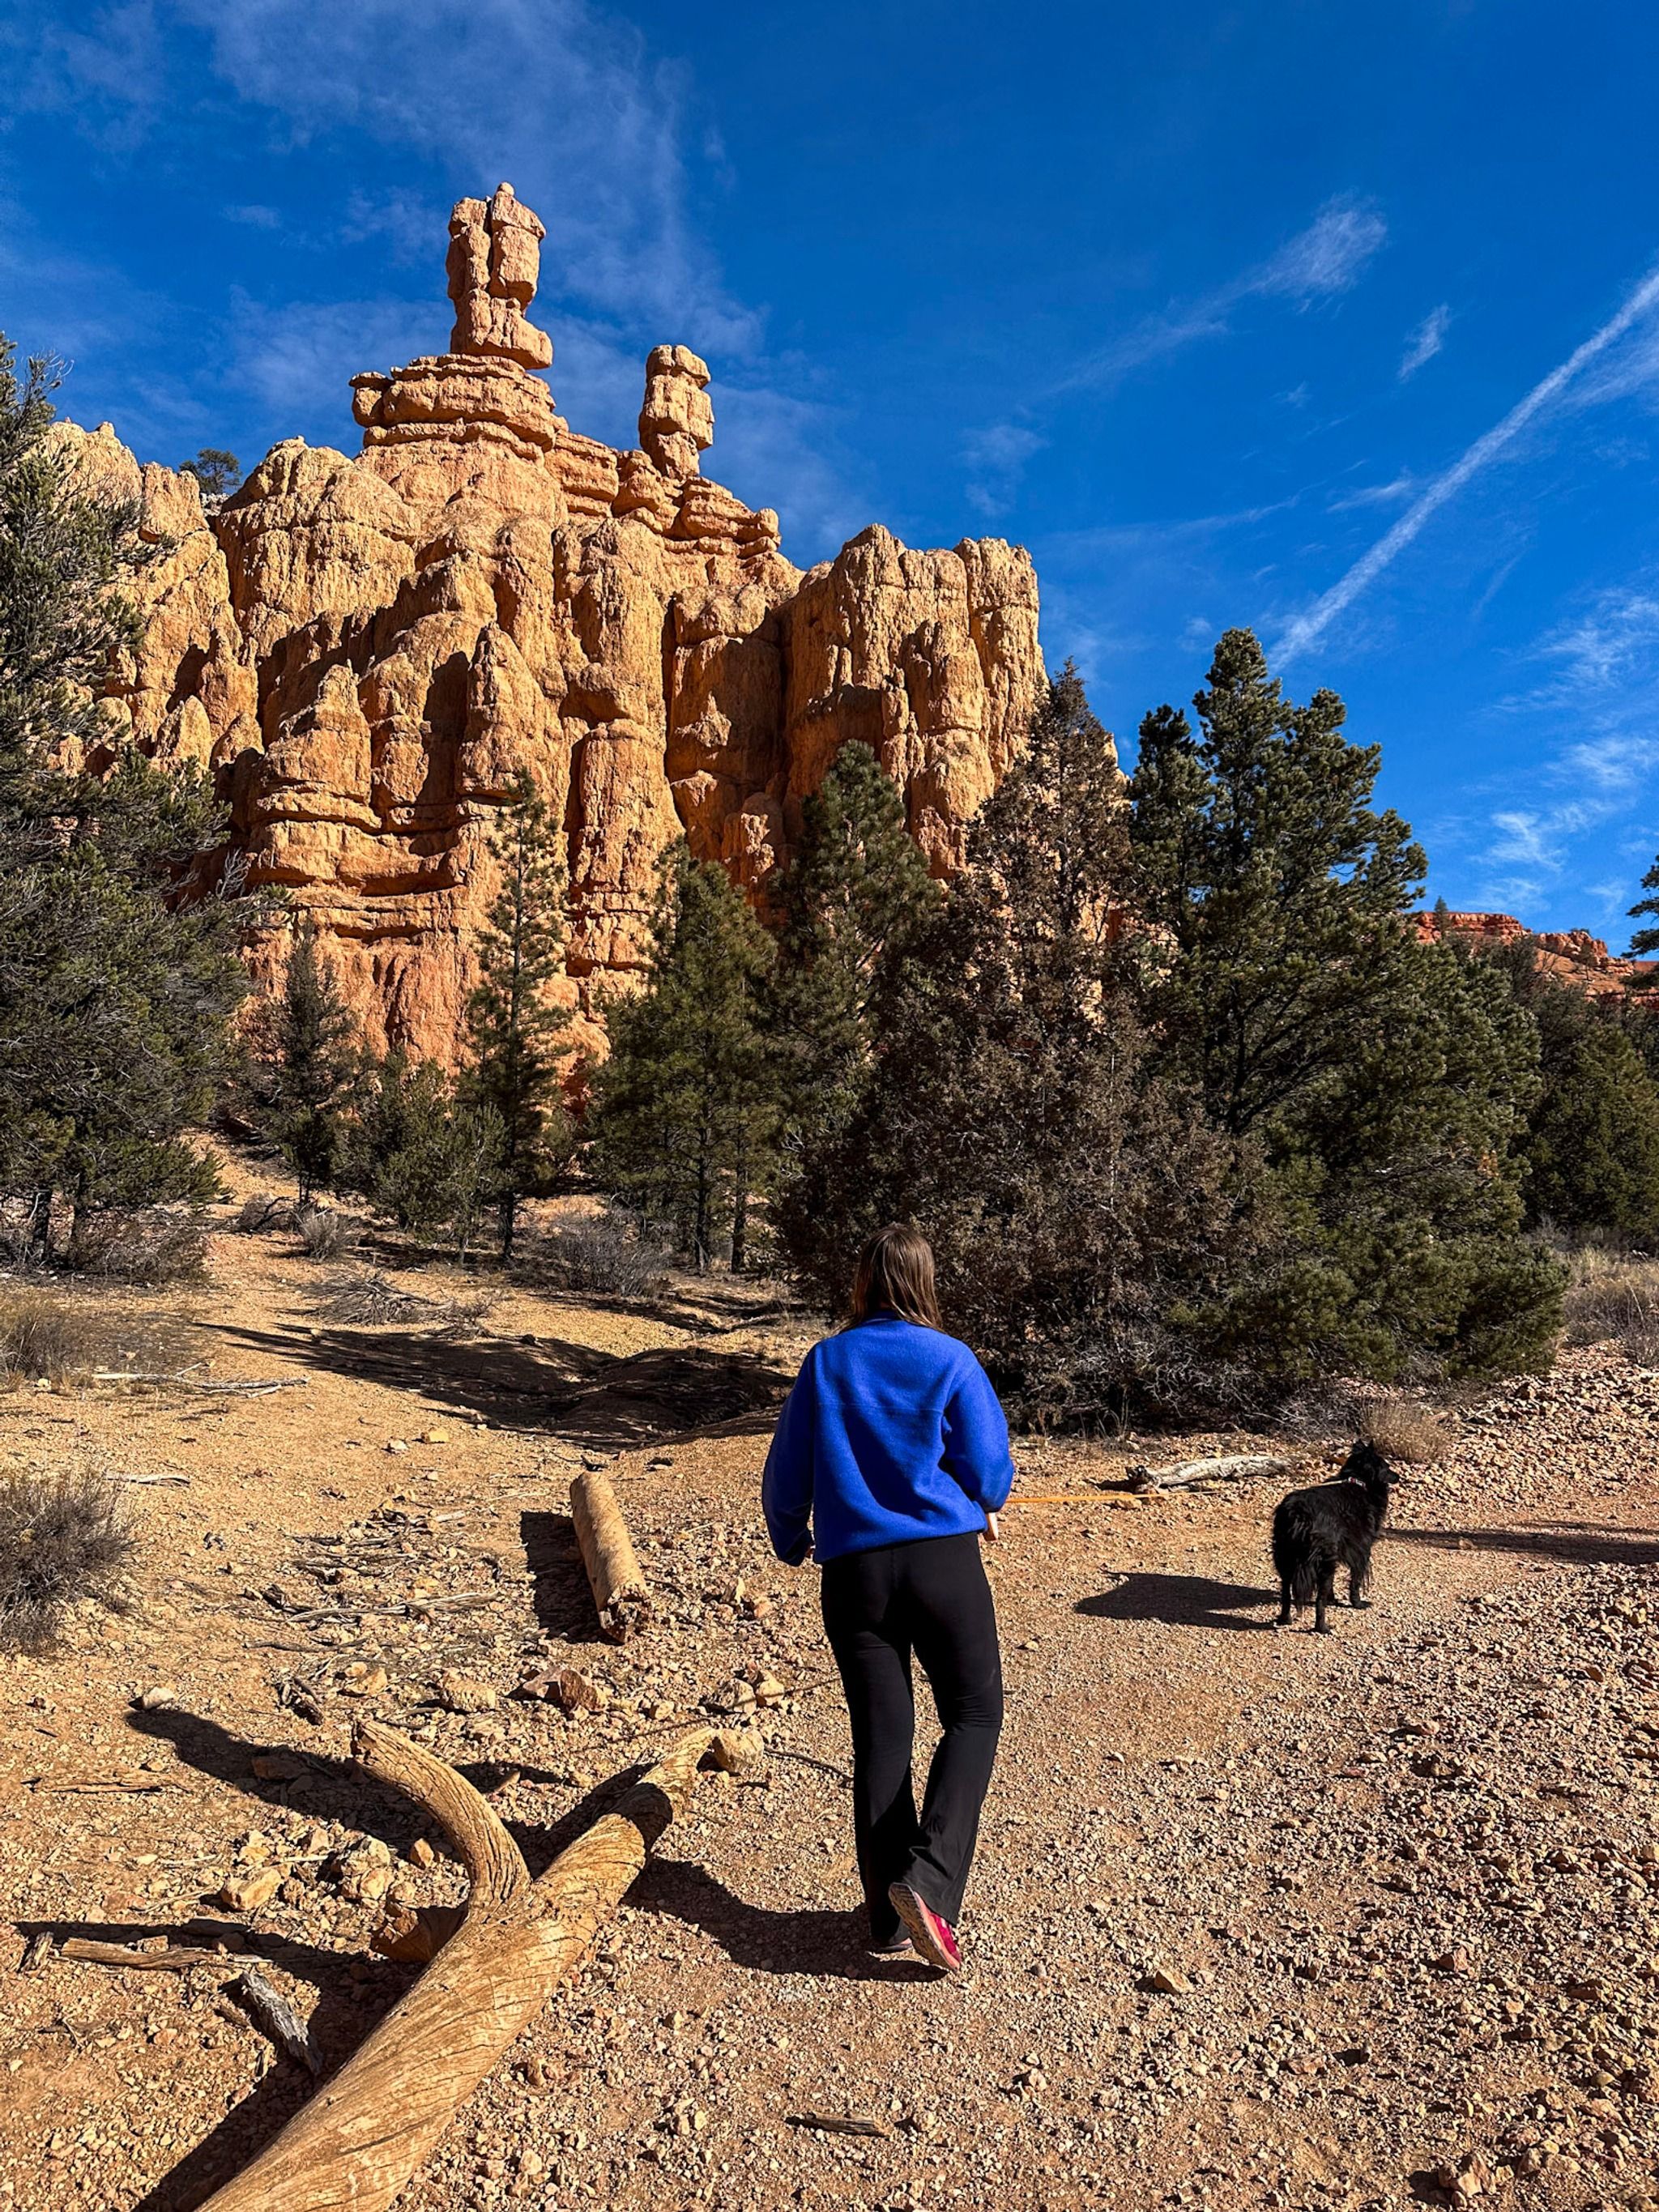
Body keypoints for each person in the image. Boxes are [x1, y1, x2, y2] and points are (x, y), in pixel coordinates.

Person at [761, 1223, 1013, 1972]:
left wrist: (791, 1536)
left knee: (881, 1736)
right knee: (974, 1713)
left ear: (864, 1283)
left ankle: (886, 1915)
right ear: (925, 1280)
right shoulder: (951, 1358)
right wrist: (981, 1498)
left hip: (853, 1574)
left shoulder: (827, 1361)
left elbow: (785, 1472)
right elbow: (990, 1470)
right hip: (943, 1565)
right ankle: (928, 1884)